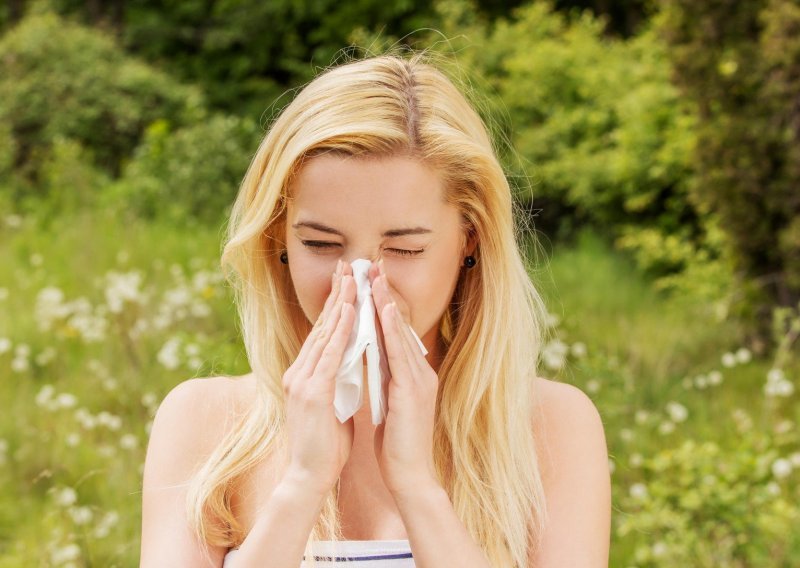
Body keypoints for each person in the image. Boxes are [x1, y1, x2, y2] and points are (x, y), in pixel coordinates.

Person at [140, 51, 610, 567]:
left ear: (468, 241)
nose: (362, 281)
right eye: (320, 243)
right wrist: (300, 486)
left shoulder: (550, 428)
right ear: (279, 239)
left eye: (405, 249)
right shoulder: (207, 423)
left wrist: (417, 487)